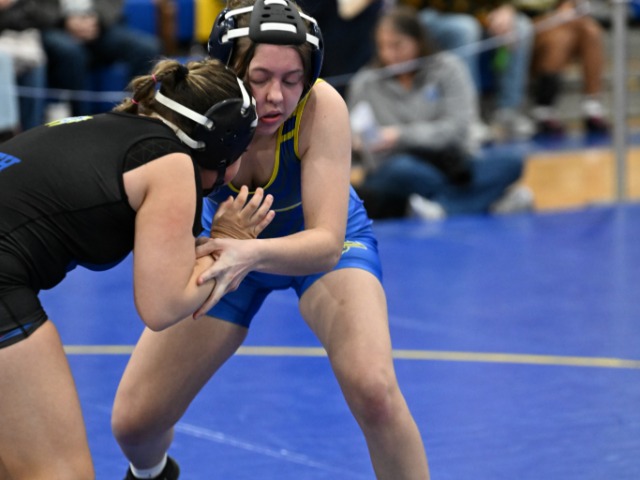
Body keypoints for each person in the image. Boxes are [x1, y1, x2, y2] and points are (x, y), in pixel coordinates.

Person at [111, 1, 431, 479]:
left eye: (292, 79)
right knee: (134, 424)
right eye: (259, 78)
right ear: (227, 71)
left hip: (314, 244)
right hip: (224, 245)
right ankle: (153, 474)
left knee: (375, 391)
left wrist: (248, 251)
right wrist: (226, 247)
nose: (276, 97)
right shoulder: (195, 110)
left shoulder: (321, 107)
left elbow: (326, 244)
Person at [0, 57, 273, 479]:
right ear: (222, 146)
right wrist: (230, 245)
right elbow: (162, 307)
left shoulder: (106, 128)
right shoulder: (171, 162)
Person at [347, 5, 532, 221]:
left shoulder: (449, 68)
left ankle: (440, 208)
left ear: (418, 41)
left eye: (397, 45)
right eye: (382, 46)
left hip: (452, 164)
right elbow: (354, 137)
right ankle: (487, 202)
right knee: (400, 171)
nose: (389, 54)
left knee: (511, 162)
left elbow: (457, 130)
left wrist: (399, 135)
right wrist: (358, 141)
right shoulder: (365, 81)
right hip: (398, 168)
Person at [401, 0, 535, 140]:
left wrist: (505, 9)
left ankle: (507, 112)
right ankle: (468, 117)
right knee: (466, 28)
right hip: (426, 14)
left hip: (476, 14)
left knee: (520, 26)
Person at [39, 0, 162, 116]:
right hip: (55, 27)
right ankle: (80, 119)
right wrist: (65, 21)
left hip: (101, 27)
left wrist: (96, 19)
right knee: (71, 53)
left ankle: (133, 111)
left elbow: (113, 5)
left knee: (147, 48)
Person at [515, 0, 609, 136]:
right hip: (525, 21)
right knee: (561, 36)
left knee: (591, 31)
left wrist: (568, 4)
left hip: (563, 20)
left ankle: (592, 106)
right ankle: (544, 108)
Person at [0, 0, 50, 131]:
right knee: (3, 61)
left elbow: (43, 17)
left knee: (34, 64)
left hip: (21, 39)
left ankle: (32, 131)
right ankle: (6, 130)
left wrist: (12, 5)